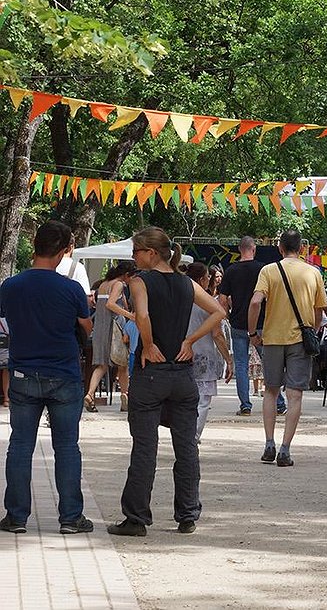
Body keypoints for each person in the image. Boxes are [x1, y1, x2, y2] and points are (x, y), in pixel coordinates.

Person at [107, 227, 227, 537]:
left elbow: (143, 316)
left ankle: (136, 519)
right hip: (183, 373)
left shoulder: (139, 281)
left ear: (150, 253)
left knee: (145, 448)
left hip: (152, 373)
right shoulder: (186, 282)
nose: (133, 258)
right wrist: (192, 339)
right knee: (186, 448)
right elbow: (218, 311)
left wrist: (147, 344)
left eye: (136, 252)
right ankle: (187, 514)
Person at [0, 220, 95, 536]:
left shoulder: (10, 286)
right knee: (67, 446)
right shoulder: (71, 289)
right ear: (66, 249)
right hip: (64, 375)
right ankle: (70, 517)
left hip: (23, 373)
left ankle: (15, 517)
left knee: (20, 445)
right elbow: (86, 326)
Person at [247, 230, 327, 468]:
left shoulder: (268, 270)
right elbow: (318, 310)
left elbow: (255, 302)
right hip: (300, 340)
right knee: (295, 395)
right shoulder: (313, 273)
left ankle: (269, 443)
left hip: (273, 338)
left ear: (280, 248)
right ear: (302, 248)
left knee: (271, 391)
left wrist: (253, 333)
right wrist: (311, 331)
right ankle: (285, 448)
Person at [184, 264, 232, 443]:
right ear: (201, 280)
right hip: (203, 356)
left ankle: (184, 435)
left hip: (181, 356)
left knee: (184, 401)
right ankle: (193, 437)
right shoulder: (209, 303)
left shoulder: (179, 300)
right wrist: (228, 358)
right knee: (202, 401)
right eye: (206, 277)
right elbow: (217, 334)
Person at [217, 236, 265, 417]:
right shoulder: (262, 269)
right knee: (268, 363)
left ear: (239, 249)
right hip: (260, 322)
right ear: (254, 249)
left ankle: (245, 405)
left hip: (238, 323)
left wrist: (228, 316)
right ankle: (279, 402)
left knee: (241, 364)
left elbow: (222, 299)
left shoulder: (231, 271)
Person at [85, 260, 137, 412]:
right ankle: (124, 396)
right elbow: (111, 304)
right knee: (123, 363)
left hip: (100, 327)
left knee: (102, 365)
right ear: (126, 275)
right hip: (115, 327)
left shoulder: (103, 284)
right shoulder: (119, 284)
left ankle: (89, 394)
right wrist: (130, 316)